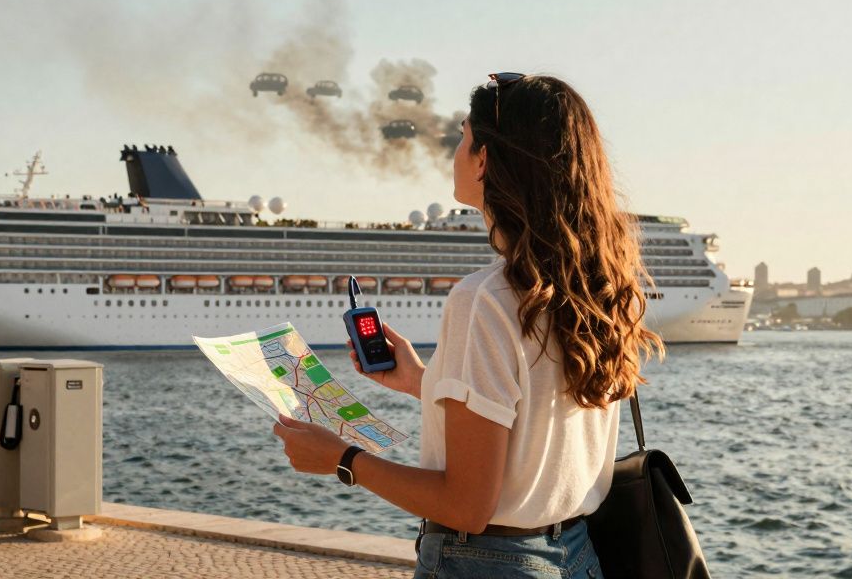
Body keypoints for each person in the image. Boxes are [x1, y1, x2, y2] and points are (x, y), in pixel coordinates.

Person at [273, 73, 664, 578]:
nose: (455, 151)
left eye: (462, 137)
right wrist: (425, 382)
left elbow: (466, 506)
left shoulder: (485, 300)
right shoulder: (599, 291)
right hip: (578, 557)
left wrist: (343, 458)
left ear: (485, 160)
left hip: (487, 564)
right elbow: (536, 421)